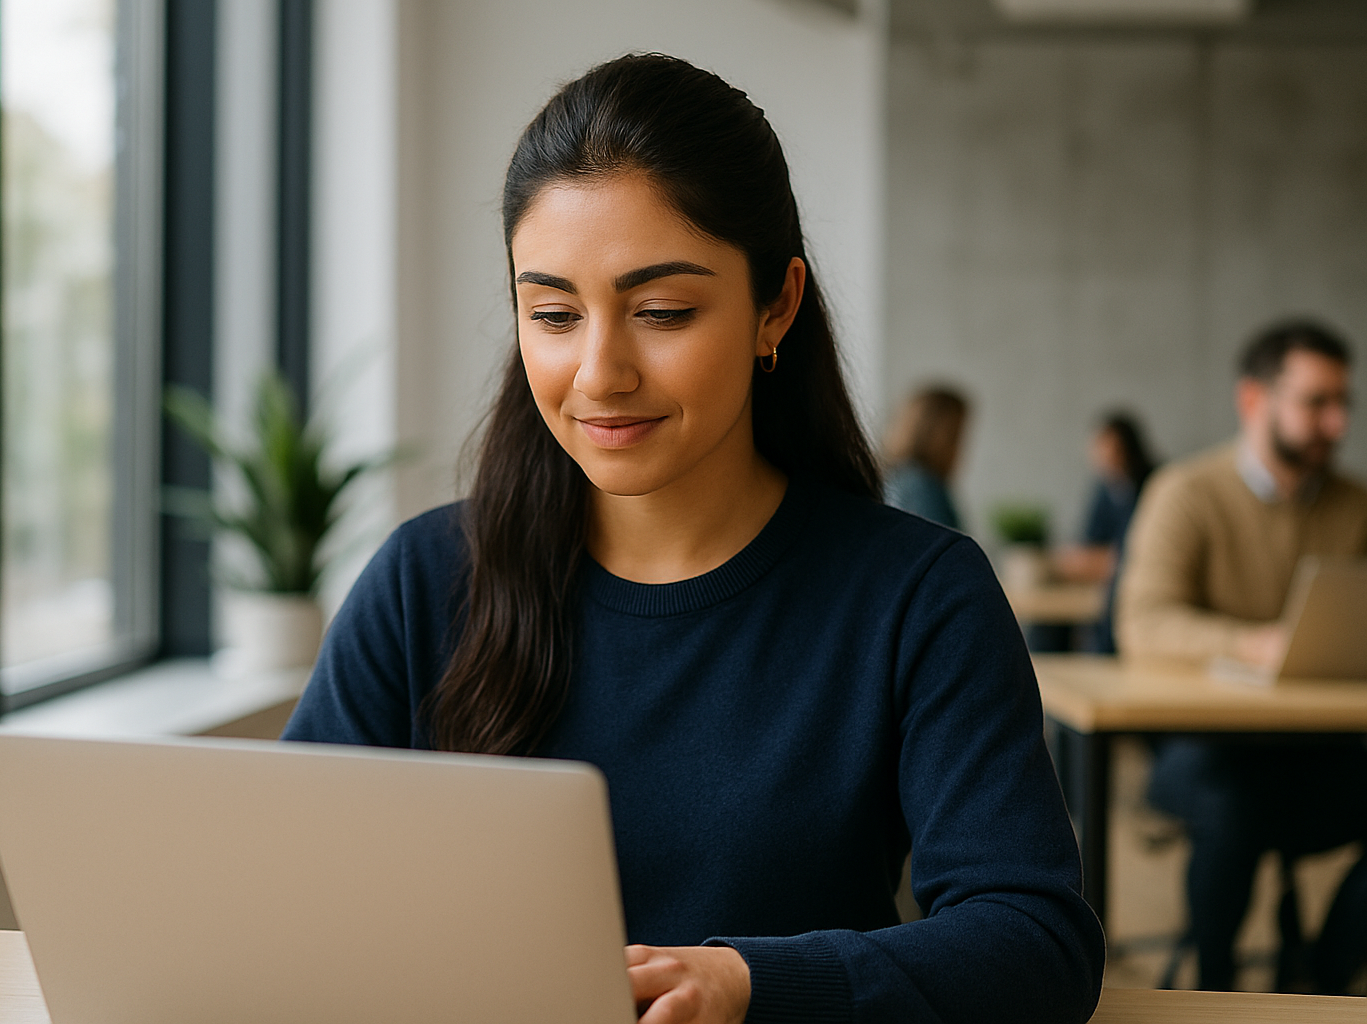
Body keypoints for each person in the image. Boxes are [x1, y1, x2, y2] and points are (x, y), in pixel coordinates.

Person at [283, 55, 1103, 1024]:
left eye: (662, 312)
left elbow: (1034, 938)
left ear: (776, 306)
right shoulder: (423, 581)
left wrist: (748, 984)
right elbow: (281, 893)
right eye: (553, 314)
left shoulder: (917, 595)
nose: (600, 373)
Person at [1118, 320, 1367, 992]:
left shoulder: (1356, 505)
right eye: (1317, 402)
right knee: (1236, 803)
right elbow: (1143, 623)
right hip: (1203, 747)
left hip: (1316, 746)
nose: (1337, 423)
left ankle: (1326, 980)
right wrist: (1252, 644)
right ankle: (1216, 987)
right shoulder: (1186, 492)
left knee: (1259, 799)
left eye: (1343, 403)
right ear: (1254, 399)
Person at [1054, 412, 1158, 653]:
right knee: (1048, 629)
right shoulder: (1105, 488)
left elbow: (1136, 551)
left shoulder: (1153, 484)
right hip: (1101, 584)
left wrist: (1103, 559)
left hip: (1136, 584)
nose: (1101, 456)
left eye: (1108, 448)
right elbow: (1088, 543)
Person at [883, 386, 969, 530]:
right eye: (956, 435)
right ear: (941, 437)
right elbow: (944, 539)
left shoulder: (897, 477)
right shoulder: (921, 486)